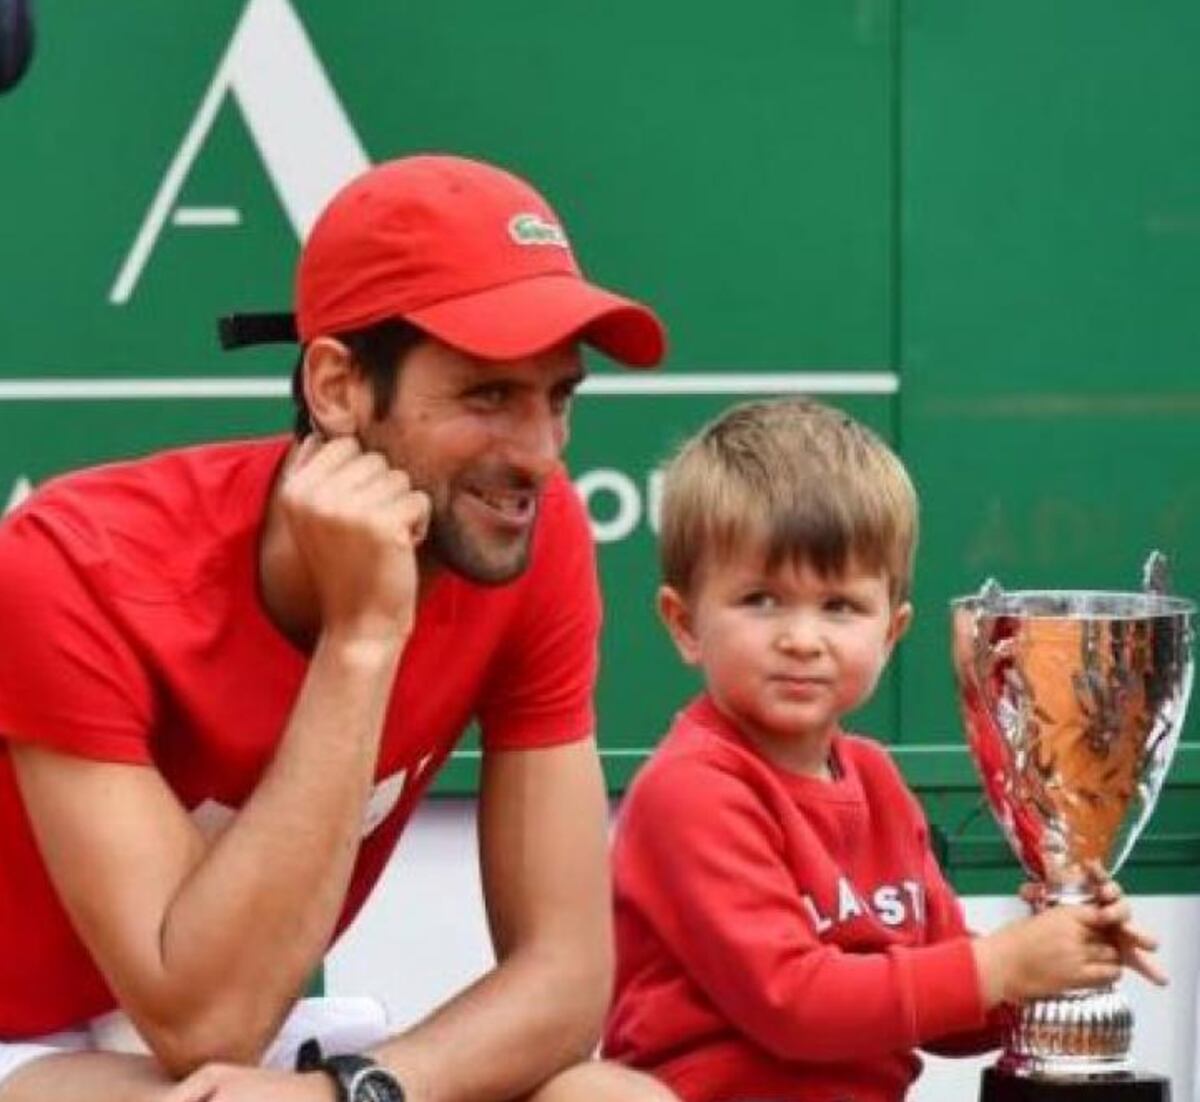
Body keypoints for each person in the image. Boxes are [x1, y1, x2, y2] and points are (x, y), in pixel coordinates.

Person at [0, 155, 678, 1102]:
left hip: (246, 1049)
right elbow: (203, 1023)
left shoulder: (534, 529)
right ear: (337, 387)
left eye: (556, 399)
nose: (537, 455)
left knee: (613, 1099)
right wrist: (362, 637)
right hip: (35, 1046)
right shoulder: (69, 562)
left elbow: (565, 985)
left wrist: (357, 1090)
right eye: (488, 397)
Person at [601, 398, 1165, 1102]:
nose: (803, 638)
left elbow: (942, 1008)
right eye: (761, 600)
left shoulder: (875, 778)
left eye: (840, 606)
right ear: (684, 625)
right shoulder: (691, 790)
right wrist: (997, 966)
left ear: (892, 630)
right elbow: (792, 1003)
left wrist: (1053, 957)